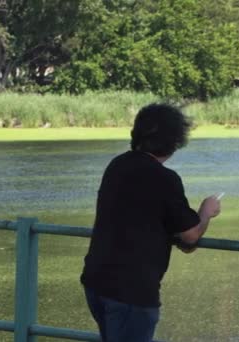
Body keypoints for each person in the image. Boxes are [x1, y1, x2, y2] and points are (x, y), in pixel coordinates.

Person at [80, 103, 221, 342]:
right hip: (131, 291)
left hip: (96, 281)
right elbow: (189, 236)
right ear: (175, 141)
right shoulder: (164, 178)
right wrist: (206, 212)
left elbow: (143, 214)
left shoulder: (117, 165)